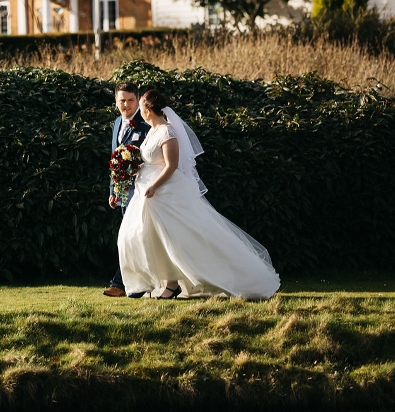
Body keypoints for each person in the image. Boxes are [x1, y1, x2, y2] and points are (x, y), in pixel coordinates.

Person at [117, 90, 280, 300]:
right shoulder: (152, 131)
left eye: (141, 106)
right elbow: (152, 161)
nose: (139, 111)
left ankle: (236, 278)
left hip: (164, 193)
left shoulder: (168, 132)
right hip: (147, 194)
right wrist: (134, 167)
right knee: (147, 238)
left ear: (148, 109)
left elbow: (171, 166)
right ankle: (169, 283)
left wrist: (154, 186)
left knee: (181, 239)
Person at [103, 81, 149, 298]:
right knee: (130, 237)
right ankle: (135, 283)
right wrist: (113, 191)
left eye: (131, 100)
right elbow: (115, 160)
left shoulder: (147, 124)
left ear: (138, 100)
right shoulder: (116, 123)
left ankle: (119, 284)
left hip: (142, 191)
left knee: (130, 237)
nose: (126, 105)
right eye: (122, 100)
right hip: (122, 192)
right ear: (116, 101)